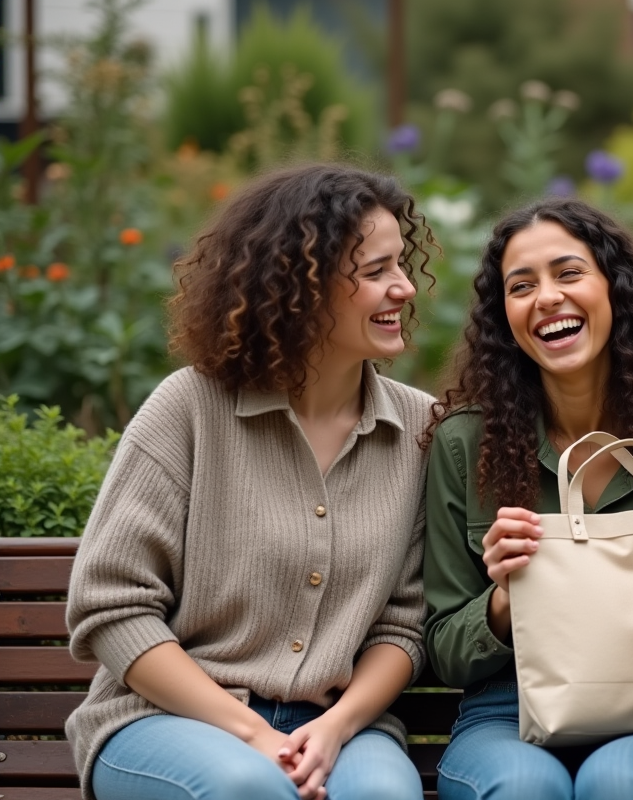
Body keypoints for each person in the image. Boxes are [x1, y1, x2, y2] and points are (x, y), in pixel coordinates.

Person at [65, 164, 437, 800]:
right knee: (249, 787)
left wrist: (336, 727)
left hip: (336, 725)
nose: (404, 288)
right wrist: (253, 735)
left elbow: (402, 626)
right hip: (164, 718)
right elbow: (112, 607)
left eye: (400, 266)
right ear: (301, 287)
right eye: (375, 272)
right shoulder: (189, 409)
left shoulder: (419, 430)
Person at [423, 197, 633, 800]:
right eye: (522, 286)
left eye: (569, 273)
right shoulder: (465, 444)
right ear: (505, 318)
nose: (546, 297)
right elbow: (443, 649)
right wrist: (506, 598)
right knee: (519, 788)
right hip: (507, 710)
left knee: (619, 780)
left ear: (615, 290)